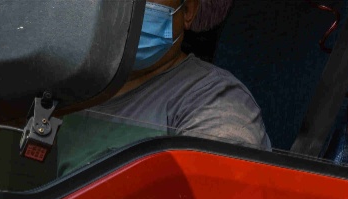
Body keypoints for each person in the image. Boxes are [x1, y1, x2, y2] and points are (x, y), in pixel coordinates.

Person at [58, 0, 270, 175]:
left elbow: (211, 197)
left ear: (188, 11)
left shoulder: (215, 100)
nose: (129, 6)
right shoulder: (66, 81)